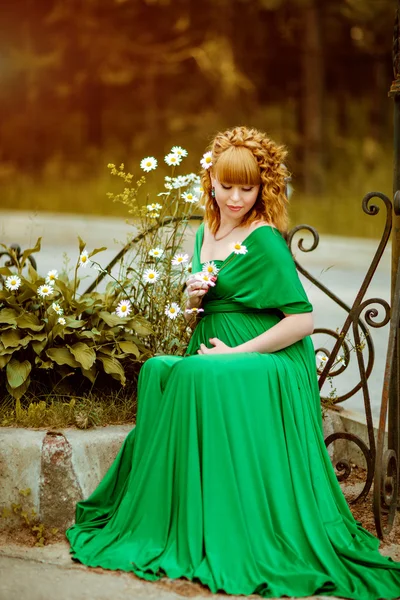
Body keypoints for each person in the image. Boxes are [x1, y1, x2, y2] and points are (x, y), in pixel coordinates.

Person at [66, 126, 400, 600]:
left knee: (201, 373)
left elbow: (302, 321)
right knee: (160, 370)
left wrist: (235, 354)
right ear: (212, 181)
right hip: (214, 349)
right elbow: (197, 315)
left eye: (248, 187)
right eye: (227, 186)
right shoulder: (205, 230)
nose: (237, 197)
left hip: (269, 360)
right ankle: (177, 516)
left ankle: (233, 526)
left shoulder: (263, 238)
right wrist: (190, 299)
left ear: (262, 188)